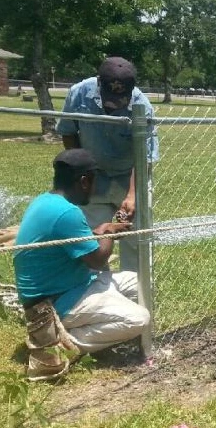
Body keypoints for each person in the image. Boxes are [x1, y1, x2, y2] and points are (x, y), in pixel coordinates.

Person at [15, 149, 150, 381]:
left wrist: (105, 229)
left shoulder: (45, 201)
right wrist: (108, 230)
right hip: (56, 302)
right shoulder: (67, 212)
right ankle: (56, 344)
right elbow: (98, 260)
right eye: (95, 181)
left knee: (143, 282)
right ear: (84, 181)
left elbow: (83, 241)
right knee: (138, 318)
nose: (96, 188)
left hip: (70, 285)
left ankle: (79, 327)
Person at [56, 56, 159, 272]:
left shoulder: (142, 105)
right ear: (99, 83)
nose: (113, 106)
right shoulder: (79, 93)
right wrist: (80, 174)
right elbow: (68, 132)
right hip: (93, 176)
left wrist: (132, 195)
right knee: (90, 238)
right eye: (109, 97)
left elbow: (145, 156)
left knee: (136, 238)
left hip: (128, 176)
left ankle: (136, 293)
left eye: (121, 99)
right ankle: (95, 289)